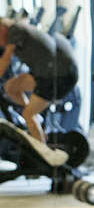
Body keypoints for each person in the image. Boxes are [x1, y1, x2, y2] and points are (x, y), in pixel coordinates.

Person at [0, 15, 79, 165]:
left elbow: (4, 61)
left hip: (57, 75)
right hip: (46, 71)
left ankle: (45, 158)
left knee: (28, 114)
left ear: (2, 29)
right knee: (10, 87)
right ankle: (35, 121)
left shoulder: (15, 31)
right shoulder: (18, 29)